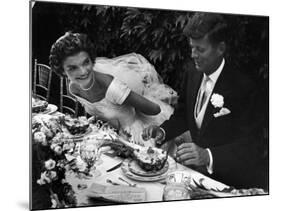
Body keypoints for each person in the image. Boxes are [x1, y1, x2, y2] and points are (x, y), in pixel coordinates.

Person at [143, 12, 267, 189]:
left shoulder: (244, 87)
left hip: (233, 182)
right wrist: (163, 131)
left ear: (221, 49)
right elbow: (184, 115)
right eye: (191, 47)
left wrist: (208, 156)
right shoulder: (192, 72)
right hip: (197, 177)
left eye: (200, 49)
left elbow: (251, 146)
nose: (193, 55)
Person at [49, 32, 178, 146]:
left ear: (92, 60)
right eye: (73, 68)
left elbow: (155, 109)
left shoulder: (111, 87)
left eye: (86, 62)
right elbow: (99, 110)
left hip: (138, 138)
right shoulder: (73, 87)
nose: (83, 71)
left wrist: (129, 104)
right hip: (111, 137)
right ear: (62, 71)